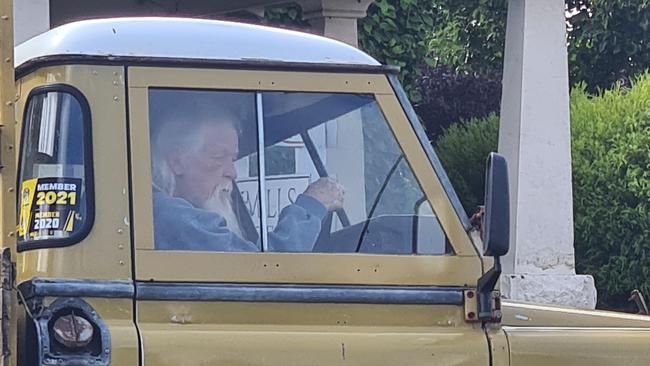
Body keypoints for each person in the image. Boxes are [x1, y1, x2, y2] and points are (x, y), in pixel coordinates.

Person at [150, 112, 344, 252]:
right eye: (218, 157)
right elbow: (265, 274)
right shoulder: (170, 216)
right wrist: (311, 207)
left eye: (233, 160)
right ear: (177, 162)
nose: (232, 172)